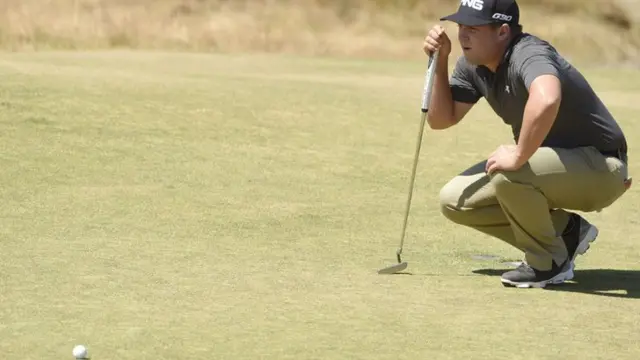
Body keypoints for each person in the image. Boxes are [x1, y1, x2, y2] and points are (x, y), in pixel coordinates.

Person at [422, 0, 632, 288]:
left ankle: (549, 263)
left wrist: (520, 154)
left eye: (473, 28)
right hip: (554, 168)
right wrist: (440, 62)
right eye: (461, 27)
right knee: (454, 201)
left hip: (601, 167)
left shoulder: (528, 52)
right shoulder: (474, 66)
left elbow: (547, 97)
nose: (463, 36)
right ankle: (567, 232)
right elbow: (441, 119)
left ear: (502, 31)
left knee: (510, 171)